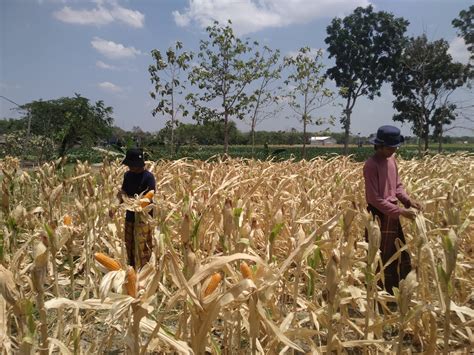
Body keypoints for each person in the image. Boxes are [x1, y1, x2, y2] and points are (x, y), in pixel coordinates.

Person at [363, 125, 423, 295]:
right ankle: (376, 295)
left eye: (395, 147)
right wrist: (401, 212)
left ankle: (395, 292)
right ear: (379, 145)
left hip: (392, 214)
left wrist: (408, 201)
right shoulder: (371, 165)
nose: (393, 150)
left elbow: (397, 187)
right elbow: (374, 199)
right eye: (390, 147)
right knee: (379, 256)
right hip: (378, 216)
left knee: (397, 255)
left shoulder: (392, 161)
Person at [118, 148, 156, 269]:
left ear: (138, 164)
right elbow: (123, 191)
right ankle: (132, 266)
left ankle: (144, 268)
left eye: (131, 165)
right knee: (129, 242)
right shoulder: (127, 175)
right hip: (130, 213)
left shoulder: (148, 177)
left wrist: (140, 206)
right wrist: (117, 201)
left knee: (142, 243)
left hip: (144, 216)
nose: (129, 167)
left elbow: (150, 195)